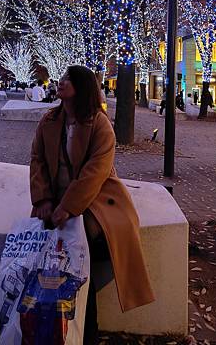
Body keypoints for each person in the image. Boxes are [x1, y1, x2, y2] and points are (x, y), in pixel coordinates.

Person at [30, 66, 154, 343]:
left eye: (67, 79)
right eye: (61, 78)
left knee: (78, 257)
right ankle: (54, 327)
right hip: (55, 202)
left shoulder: (99, 124)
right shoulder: (49, 120)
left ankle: (85, 333)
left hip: (95, 204)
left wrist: (67, 207)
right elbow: (36, 159)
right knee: (54, 257)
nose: (60, 82)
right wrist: (43, 199)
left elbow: (95, 172)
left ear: (82, 87)